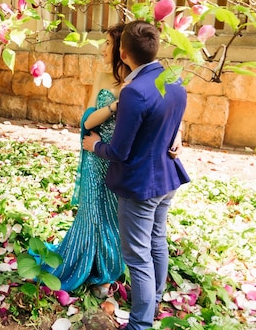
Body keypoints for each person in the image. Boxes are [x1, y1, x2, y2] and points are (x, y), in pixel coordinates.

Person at [82, 20, 190, 330]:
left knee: (138, 255)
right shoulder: (174, 77)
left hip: (140, 186)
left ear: (124, 53)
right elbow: (171, 117)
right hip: (168, 178)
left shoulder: (134, 93)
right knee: (157, 241)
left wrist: (96, 145)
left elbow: (120, 151)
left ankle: (140, 324)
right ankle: (154, 300)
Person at [42, 23, 129, 295]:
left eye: (107, 44)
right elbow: (87, 120)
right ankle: (92, 268)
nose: (103, 49)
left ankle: (110, 268)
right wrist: (115, 105)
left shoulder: (137, 82)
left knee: (115, 218)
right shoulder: (104, 78)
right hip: (95, 154)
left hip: (120, 160)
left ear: (122, 51)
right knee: (93, 216)